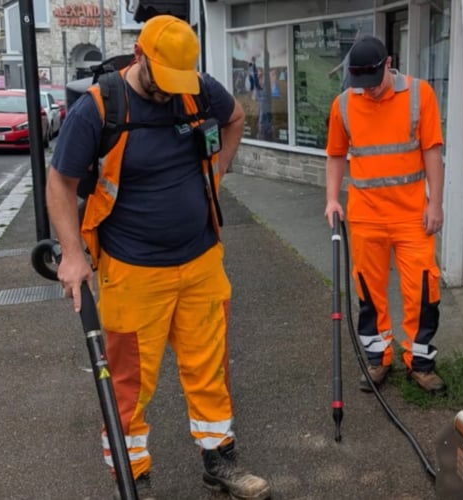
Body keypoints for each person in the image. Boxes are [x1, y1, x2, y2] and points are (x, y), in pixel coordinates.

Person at [45, 15, 271, 500]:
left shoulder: (197, 89)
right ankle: (135, 478)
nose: (171, 93)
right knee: (129, 383)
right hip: (132, 270)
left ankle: (220, 461)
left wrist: (220, 169)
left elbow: (234, 119)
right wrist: (72, 254)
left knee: (210, 368)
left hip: (201, 260)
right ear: (140, 57)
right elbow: (59, 183)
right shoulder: (99, 108)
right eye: (163, 81)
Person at [324, 35, 447, 394]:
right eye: (361, 85)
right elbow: (335, 155)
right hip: (366, 217)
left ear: (388, 63)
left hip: (412, 216)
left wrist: (435, 203)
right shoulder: (344, 104)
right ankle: (379, 360)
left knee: (423, 290)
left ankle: (420, 363)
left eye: (374, 83)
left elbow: (432, 152)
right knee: (369, 292)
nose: (370, 92)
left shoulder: (420, 95)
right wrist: (332, 199)